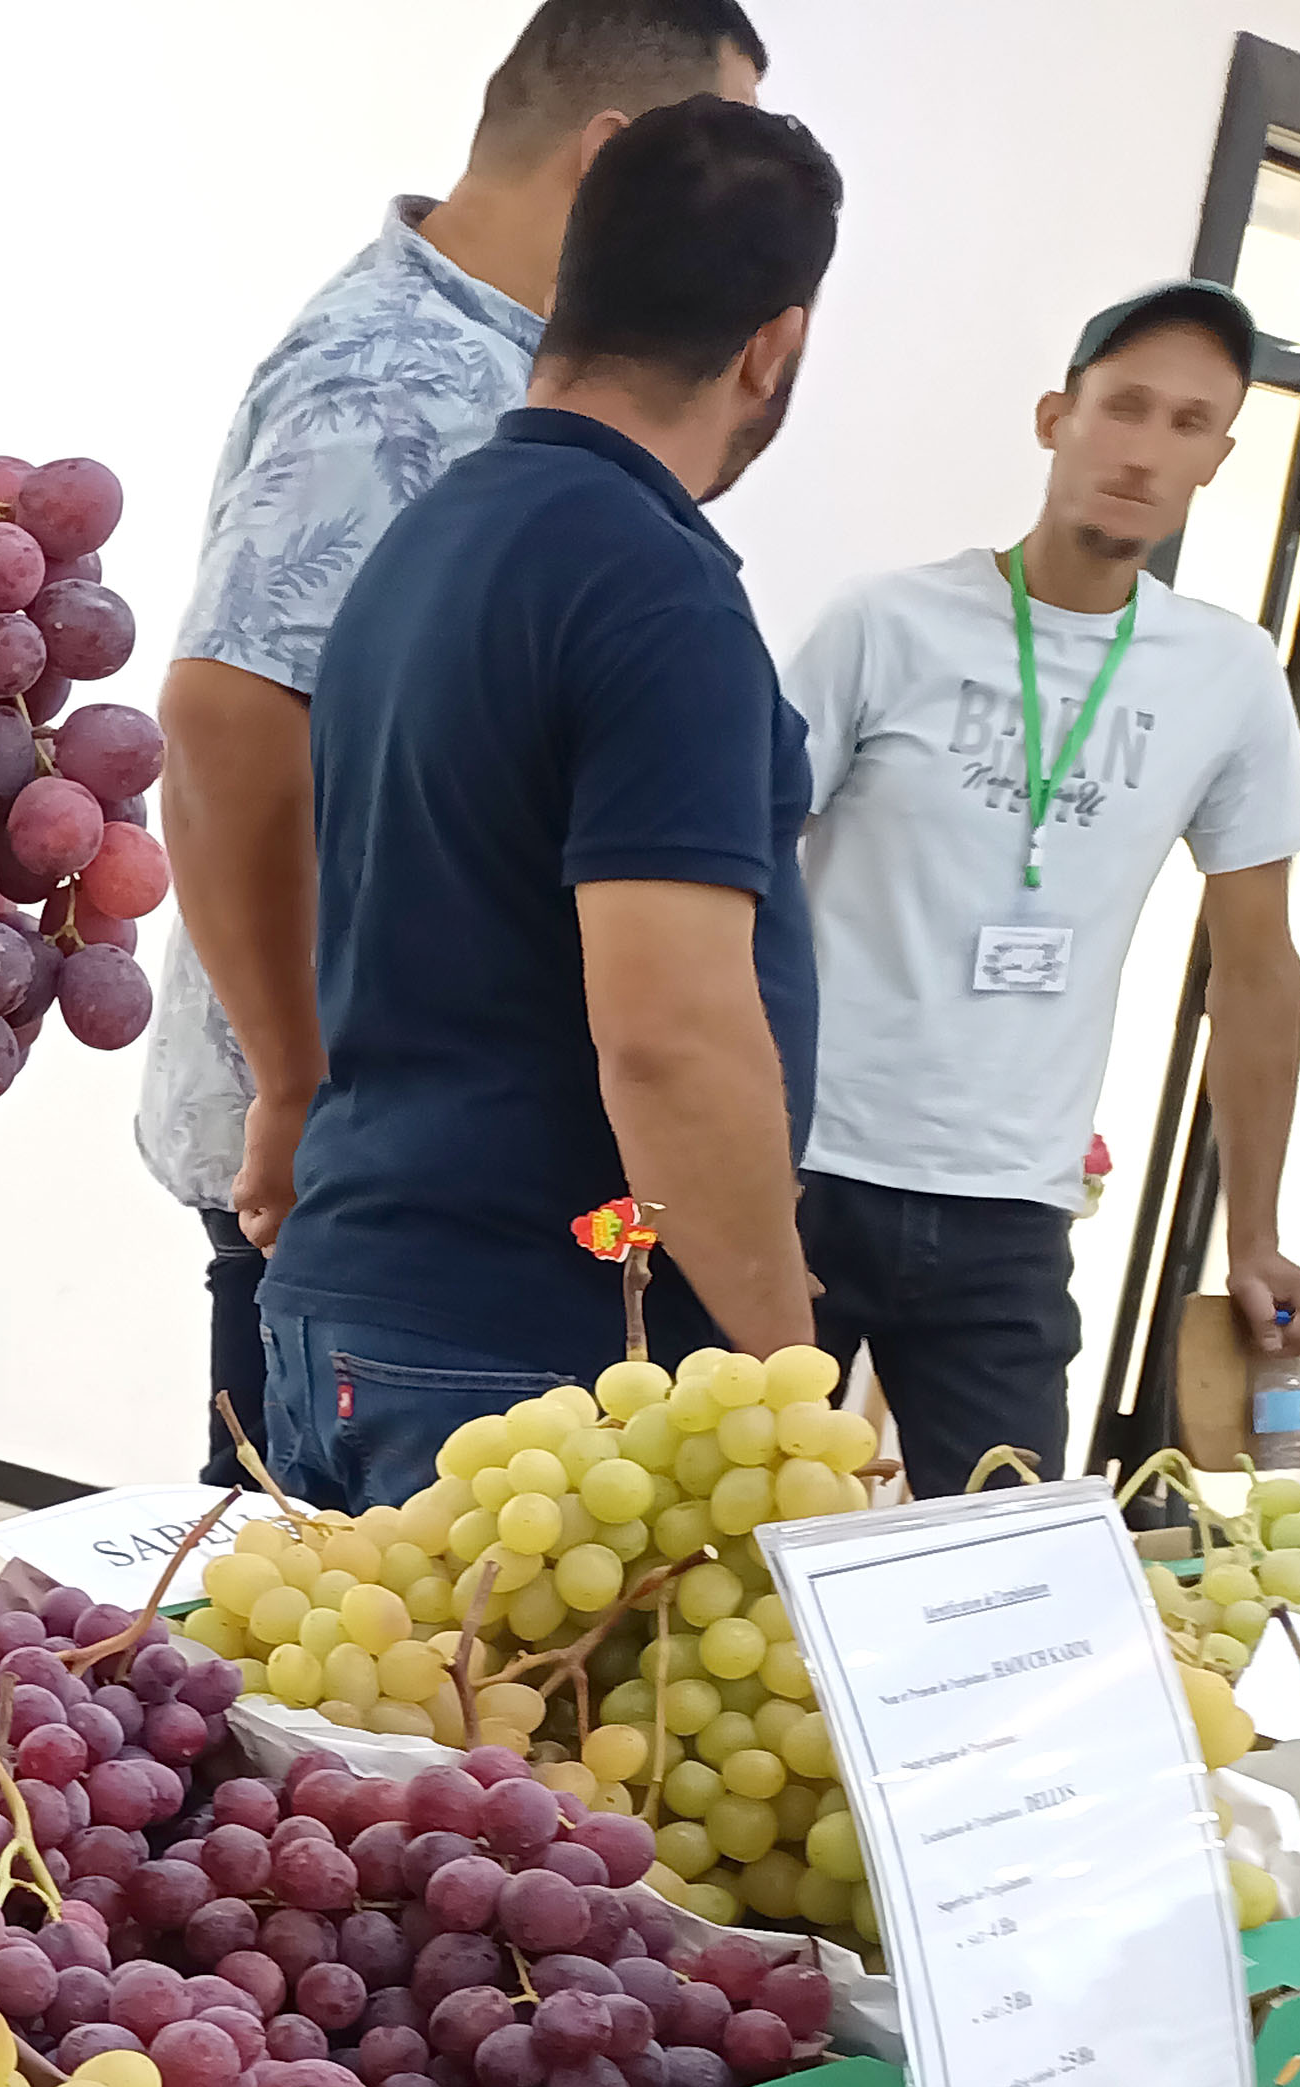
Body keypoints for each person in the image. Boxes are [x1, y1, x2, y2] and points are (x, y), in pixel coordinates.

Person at [142, 0, 768, 1481]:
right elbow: (227, 720)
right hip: (360, 1188)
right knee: (345, 1666)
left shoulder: (514, 381)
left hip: (439, 1182)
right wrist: (298, 1081)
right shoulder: (404, 379)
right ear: (612, 160)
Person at [257, 96, 836, 1511]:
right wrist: (784, 1377)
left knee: (340, 1739)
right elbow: (670, 1036)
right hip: (527, 1366)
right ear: (775, 344)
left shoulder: (421, 546)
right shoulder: (660, 589)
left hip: (349, 1303)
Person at [782, 281, 1300, 1496]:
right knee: (707, 1556)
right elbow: (734, 872)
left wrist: (1254, 1236)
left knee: (1009, 1567)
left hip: (1008, 1213)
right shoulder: (887, 624)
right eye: (1122, 407)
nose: (1144, 450)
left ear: (1218, 458)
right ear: (1054, 417)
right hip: (803, 1175)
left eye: (1188, 424)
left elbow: (1254, 969)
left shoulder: (1227, 674)